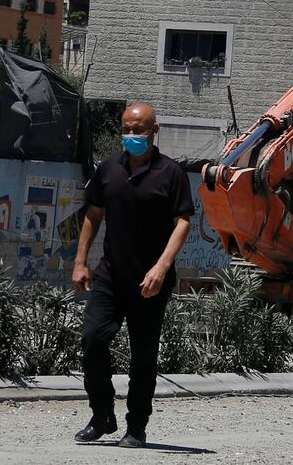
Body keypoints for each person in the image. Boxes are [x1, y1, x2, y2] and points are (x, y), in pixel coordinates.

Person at [72, 103, 193, 448]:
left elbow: (183, 221)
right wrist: (80, 261)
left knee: (143, 357)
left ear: (154, 131)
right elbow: (93, 214)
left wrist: (161, 267)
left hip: (150, 282)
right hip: (111, 275)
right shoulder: (109, 168)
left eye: (139, 130)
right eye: (126, 129)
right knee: (93, 340)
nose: (132, 136)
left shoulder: (171, 174)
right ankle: (102, 415)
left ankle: (136, 426)